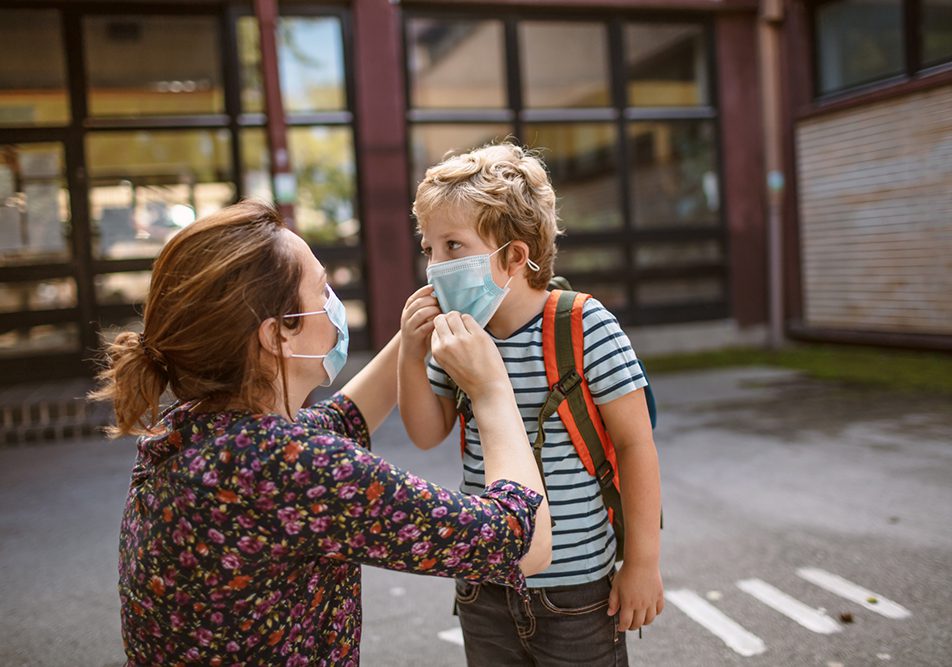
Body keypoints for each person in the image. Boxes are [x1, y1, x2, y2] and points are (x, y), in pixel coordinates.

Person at [91, 199, 551, 666]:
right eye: (322, 289)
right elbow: (521, 542)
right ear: (277, 335)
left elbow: (345, 419)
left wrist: (413, 332)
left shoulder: (195, 432)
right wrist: (490, 388)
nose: (332, 303)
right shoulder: (287, 465)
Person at [398, 142, 663, 665]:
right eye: (429, 249)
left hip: (579, 593)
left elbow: (635, 446)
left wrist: (642, 564)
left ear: (515, 256)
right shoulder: (456, 336)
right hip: (484, 584)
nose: (435, 266)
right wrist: (411, 349)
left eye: (453, 246)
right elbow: (428, 432)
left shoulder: (584, 326)